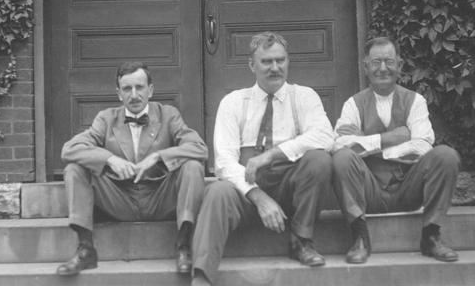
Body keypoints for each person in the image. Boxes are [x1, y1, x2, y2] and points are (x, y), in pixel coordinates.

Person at [191, 32, 335, 286]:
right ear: (252, 65)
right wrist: (258, 197)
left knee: (319, 160)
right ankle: (202, 276)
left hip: (291, 190)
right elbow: (224, 162)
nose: (275, 68)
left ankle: (301, 240)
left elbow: (325, 136)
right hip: (247, 193)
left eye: (281, 60)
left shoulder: (304, 96)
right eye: (267, 62)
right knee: (217, 191)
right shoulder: (234, 102)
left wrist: (271, 155)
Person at [56, 61, 208, 276]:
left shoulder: (168, 114)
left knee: (192, 166)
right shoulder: (107, 118)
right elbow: (69, 149)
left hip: (160, 197)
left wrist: (159, 156)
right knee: (74, 168)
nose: (134, 95)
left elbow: (199, 148)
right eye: (127, 89)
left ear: (151, 90)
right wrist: (110, 159)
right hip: (119, 198)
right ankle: (85, 249)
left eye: (140, 87)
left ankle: (184, 246)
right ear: (119, 93)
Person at [331, 36, 460, 265]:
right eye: (376, 62)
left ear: (399, 65)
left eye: (389, 62)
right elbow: (341, 144)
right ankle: (359, 237)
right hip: (368, 191)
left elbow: (422, 146)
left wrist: (369, 145)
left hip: (408, 189)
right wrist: (391, 138)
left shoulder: (415, 101)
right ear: (366, 67)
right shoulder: (353, 103)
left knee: (446, 155)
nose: (383, 68)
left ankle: (431, 236)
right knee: (342, 158)